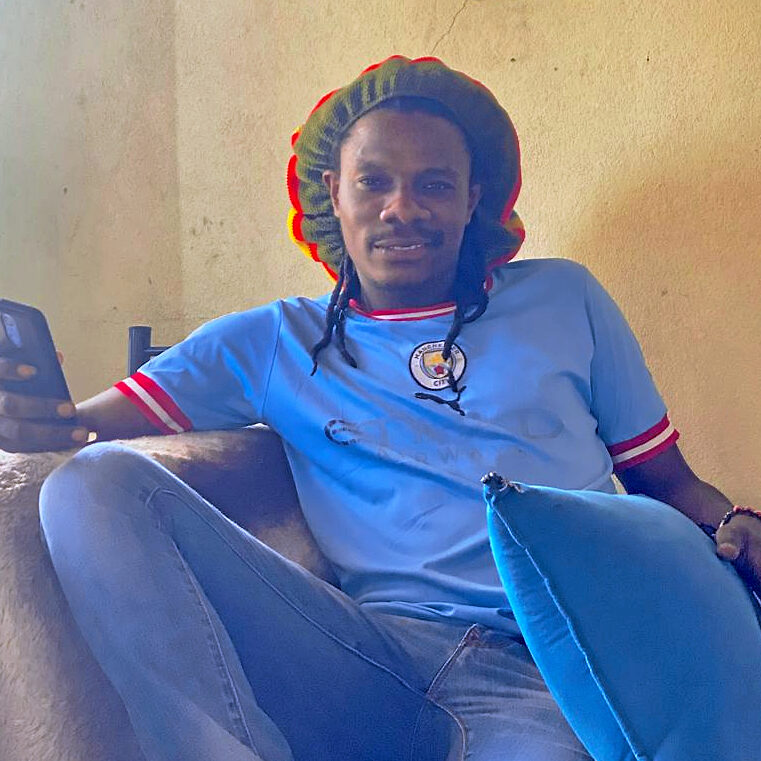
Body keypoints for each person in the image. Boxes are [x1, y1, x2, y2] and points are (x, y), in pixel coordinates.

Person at [1, 56, 759, 761]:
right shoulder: (274, 339)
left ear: (472, 199)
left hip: (547, 667)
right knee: (92, 484)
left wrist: (735, 527)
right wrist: (33, 416)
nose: (402, 208)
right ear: (333, 193)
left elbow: (670, 484)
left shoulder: (565, 299)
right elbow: (82, 426)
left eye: (434, 185)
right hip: (367, 655)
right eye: (374, 182)